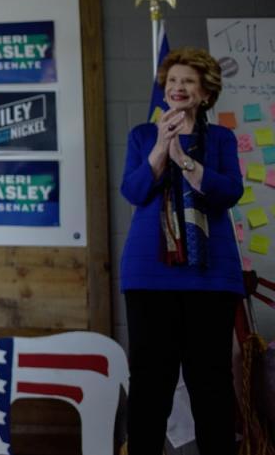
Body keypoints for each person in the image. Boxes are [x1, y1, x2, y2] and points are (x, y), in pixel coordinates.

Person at [119, 47, 244, 455]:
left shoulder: (222, 138)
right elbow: (134, 191)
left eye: (188, 81)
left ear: (205, 93)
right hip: (149, 276)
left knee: (211, 383)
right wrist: (160, 150)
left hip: (211, 278)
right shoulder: (141, 135)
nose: (177, 87)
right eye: (172, 81)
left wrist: (185, 162)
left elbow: (228, 193)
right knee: (150, 383)